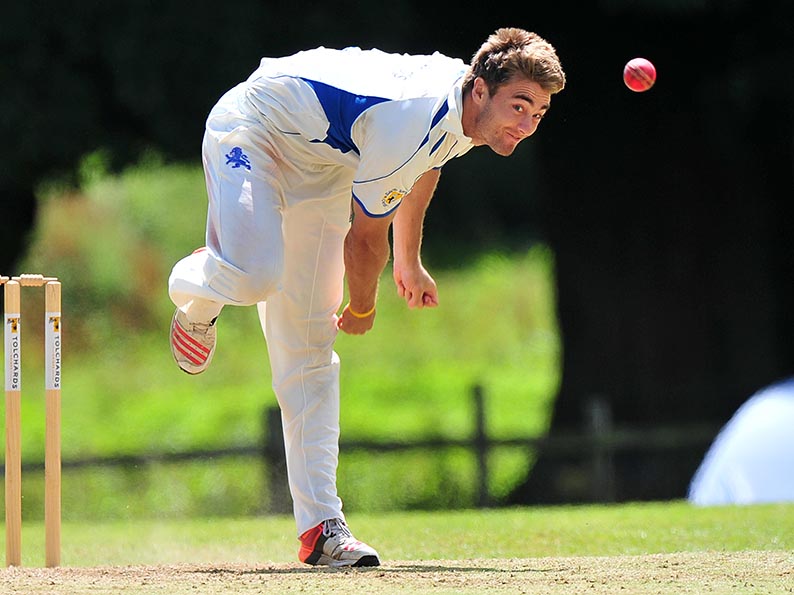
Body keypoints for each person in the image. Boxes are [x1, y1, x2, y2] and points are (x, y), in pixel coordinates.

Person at [168, 27, 566, 567]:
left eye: (537, 114)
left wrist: (409, 259)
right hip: (256, 126)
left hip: (328, 162)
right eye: (519, 107)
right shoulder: (414, 114)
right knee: (256, 273)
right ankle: (202, 285)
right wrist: (361, 308)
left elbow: (425, 165)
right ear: (480, 90)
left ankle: (321, 529)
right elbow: (363, 238)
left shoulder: (463, 110)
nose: (525, 126)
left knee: (307, 351)